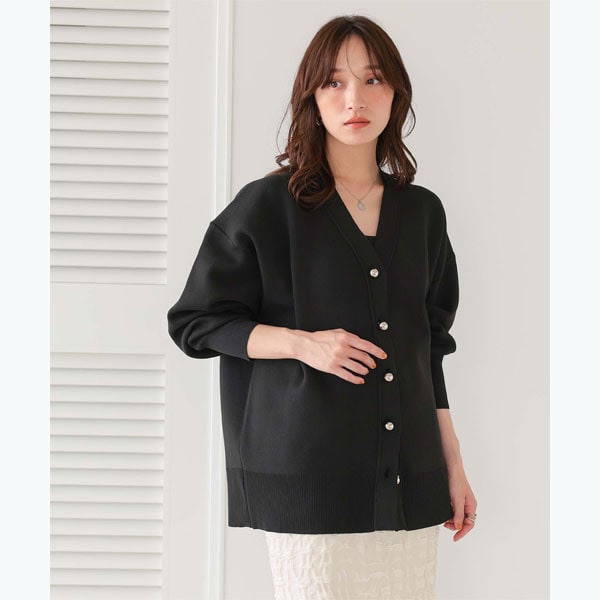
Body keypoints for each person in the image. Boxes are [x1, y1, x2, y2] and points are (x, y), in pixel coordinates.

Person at [167, 14, 477, 600]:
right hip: (310, 476)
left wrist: (453, 465)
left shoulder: (422, 214)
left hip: (411, 478)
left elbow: (428, 349)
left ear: (396, 94)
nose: (354, 98)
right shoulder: (266, 206)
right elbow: (196, 322)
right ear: (311, 96)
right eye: (334, 82)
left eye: (373, 79)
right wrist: (304, 344)